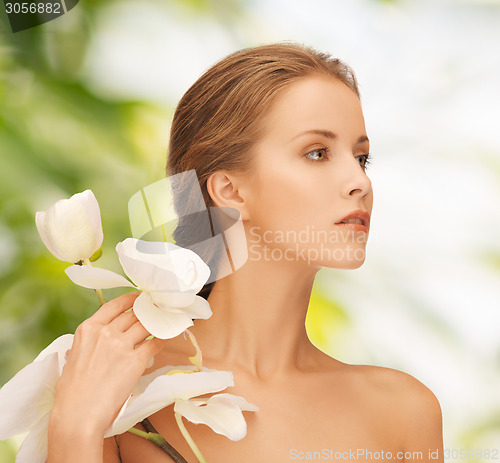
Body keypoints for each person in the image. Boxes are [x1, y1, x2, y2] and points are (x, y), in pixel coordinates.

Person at [47, 42, 444, 463]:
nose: (358, 183)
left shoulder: (403, 411)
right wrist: (74, 427)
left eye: (361, 158)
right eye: (317, 152)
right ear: (229, 190)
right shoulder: (116, 383)